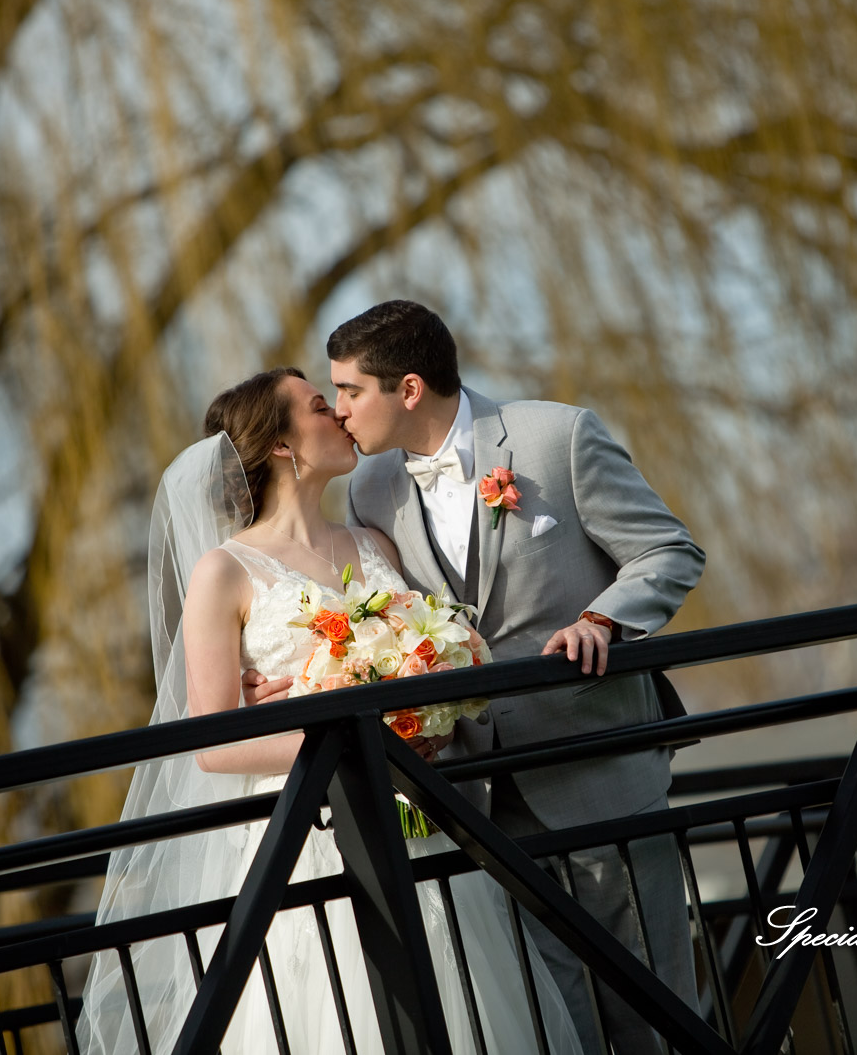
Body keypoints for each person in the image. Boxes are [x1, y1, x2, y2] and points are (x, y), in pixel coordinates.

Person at [75, 367, 582, 1055]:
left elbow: (425, 650)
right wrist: (346, 737)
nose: (341, 415)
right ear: (281, 443)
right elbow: (214, 744)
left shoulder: (373, 545)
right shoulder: (223, 572)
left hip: (414, 818)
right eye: (320, 405)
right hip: (305, 835)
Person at [249, 301, 706, 1054]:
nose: (337, 409)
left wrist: (604, 619)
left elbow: (668, 552)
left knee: (660, 1015)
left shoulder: (555, 438)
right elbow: (380, 624)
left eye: (350, 391)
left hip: (599, 768)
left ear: (409, 390)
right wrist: (291, 683)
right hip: (479, 802)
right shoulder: (372, 495)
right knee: (565, 1027)